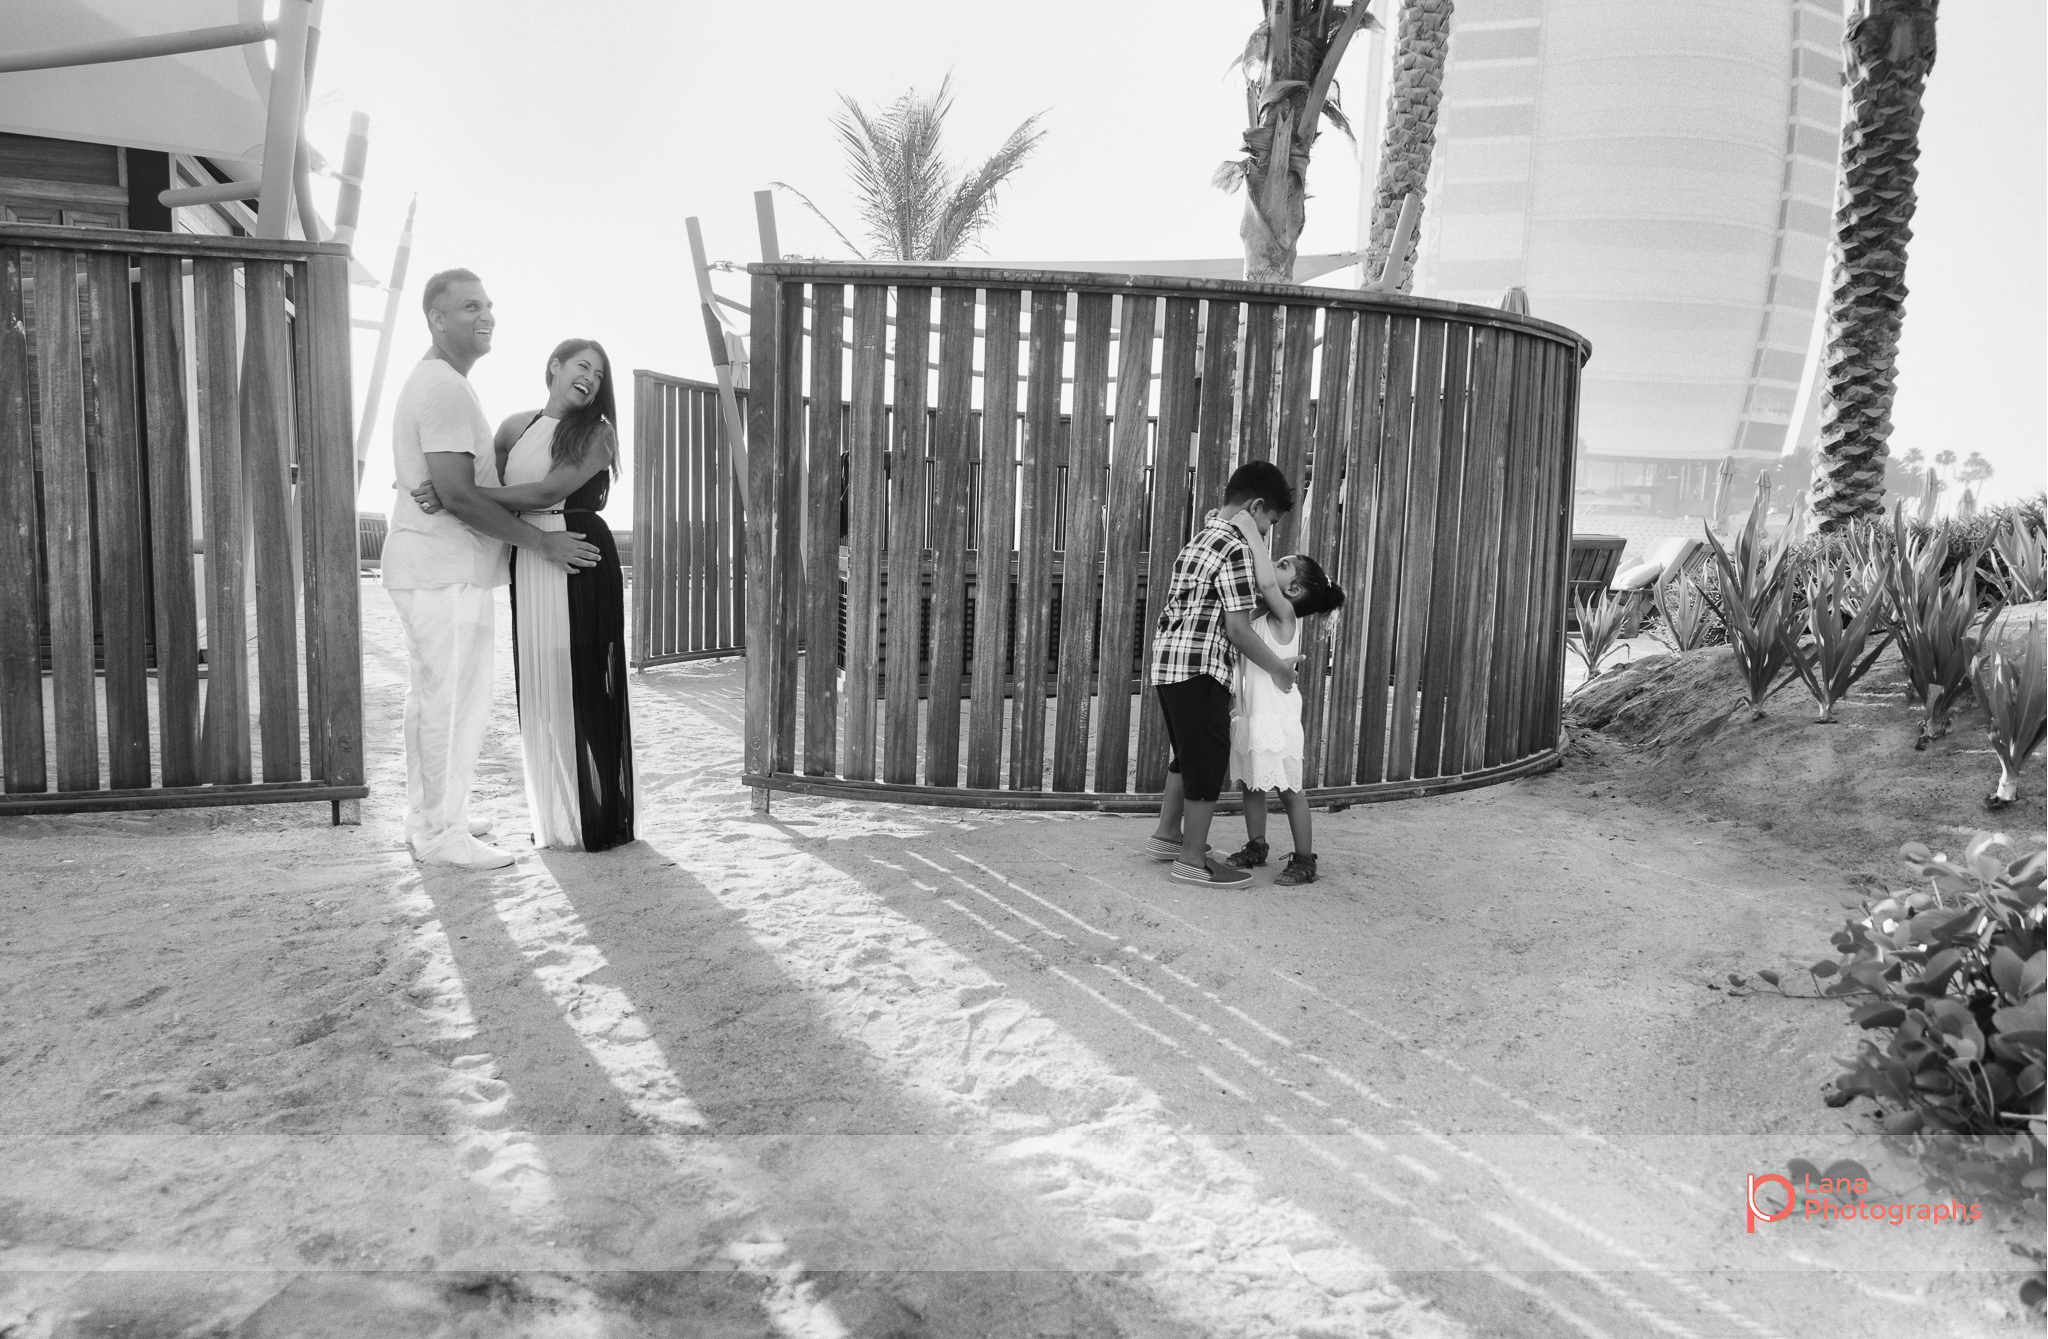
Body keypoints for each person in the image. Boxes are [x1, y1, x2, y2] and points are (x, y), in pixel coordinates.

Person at [382, 269, 599, 870]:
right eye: (470, 306)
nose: (486, 316)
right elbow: (459, 495)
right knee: (451, 702)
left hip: (440, 566)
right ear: (437, 318)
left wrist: (446, 489)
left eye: (490, 306)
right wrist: (543, 544)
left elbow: (455, 486)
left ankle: (432, 816)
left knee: (434, 699)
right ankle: (439, 833)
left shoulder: (442, 382)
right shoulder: (444, 387)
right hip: (443, 568)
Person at [419, 340, 634, 851]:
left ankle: (602, 820)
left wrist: (455, 495)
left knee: (586, 683)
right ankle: (557, 815)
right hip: (530, 555)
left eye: (600, 375)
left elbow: (543, 493)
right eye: (583, 366)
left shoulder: (598, 434)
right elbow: (481, 480)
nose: (591, 379)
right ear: (554, 367)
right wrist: (456, 491)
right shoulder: (514, 426)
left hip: (579, 553)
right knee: (541, 680)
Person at [1142, 461, 1302, 887]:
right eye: (1268, 525)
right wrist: (1279, 668)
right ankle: (1193, 860)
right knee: (1207, 764)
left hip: (1168, 663)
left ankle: (1167, 836)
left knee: (1186, 755)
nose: (1266, 535)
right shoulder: (1235, 547)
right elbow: (1237, 627)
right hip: (1201, 668)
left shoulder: (1200, 538)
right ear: (1257, 506)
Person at [1219, 510, 1346, 885]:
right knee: (1252, 784)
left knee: (1290, 790)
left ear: (1292, 591)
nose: (1272, 564)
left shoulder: (1285, 615)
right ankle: (1257, 845)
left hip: (1275, 716)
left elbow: (1267, 583)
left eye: (1282, 564)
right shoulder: (1257, 612)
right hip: (1250, 713)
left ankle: (1305, 859)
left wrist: (1248, 531)